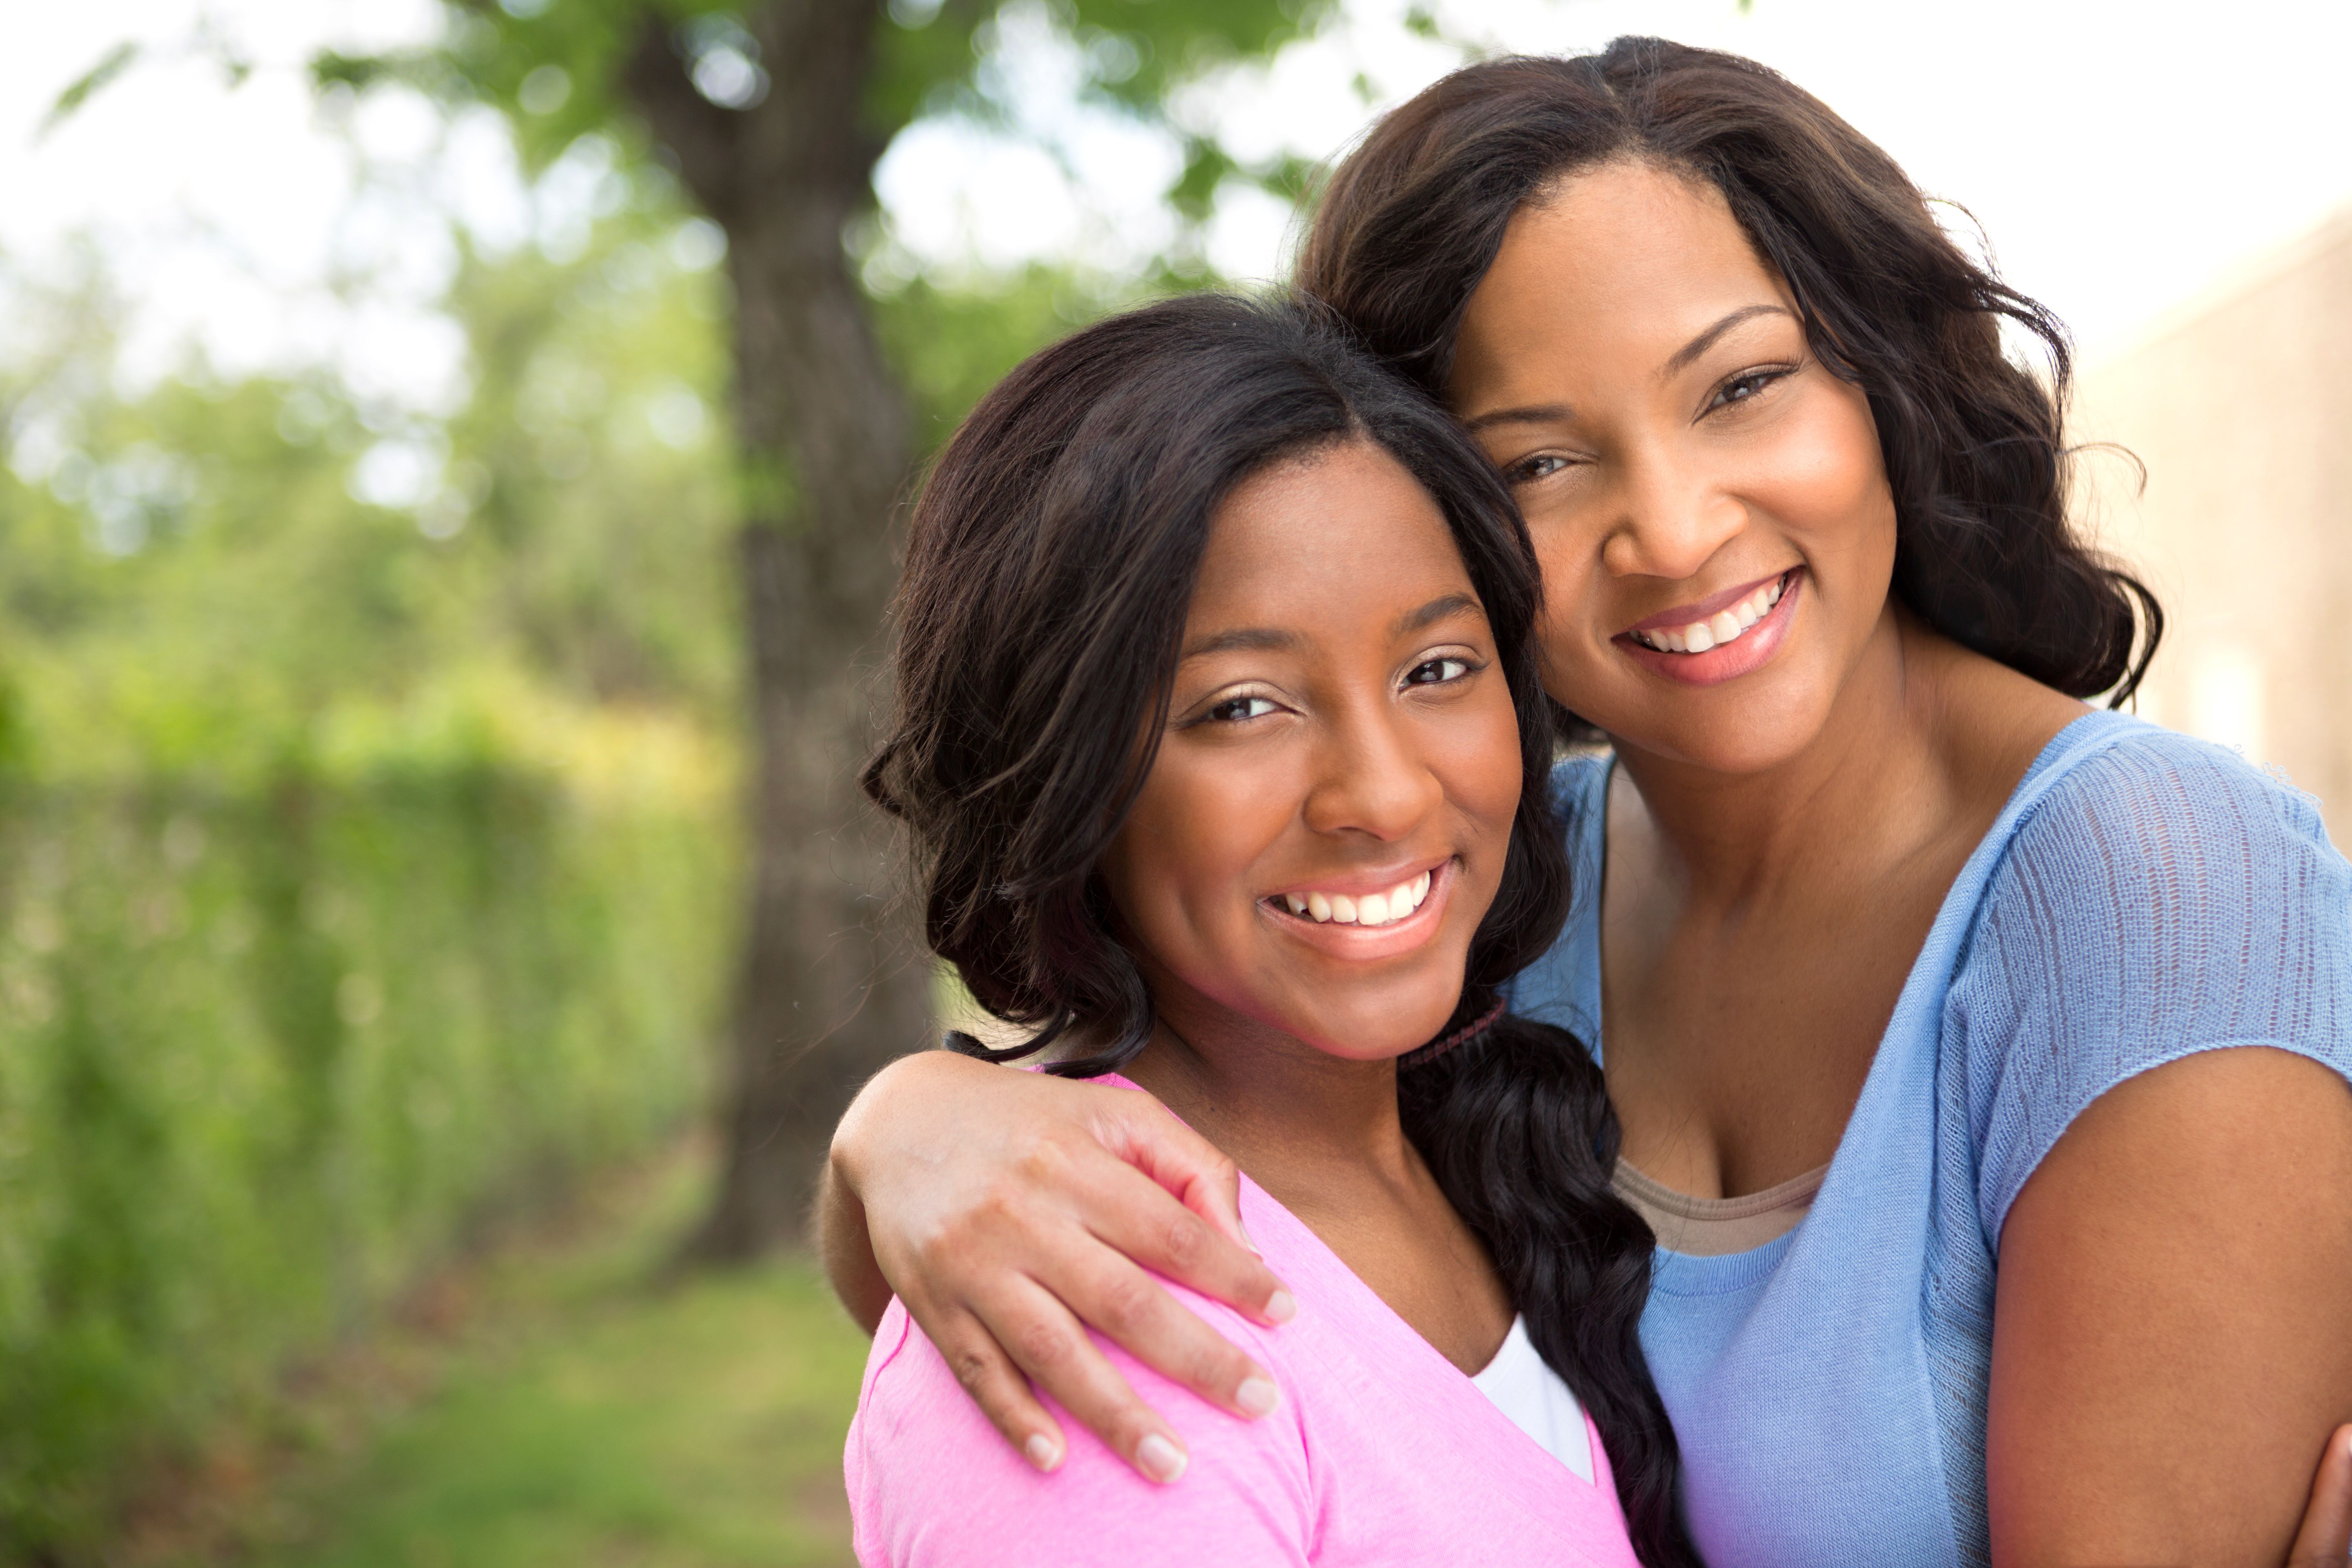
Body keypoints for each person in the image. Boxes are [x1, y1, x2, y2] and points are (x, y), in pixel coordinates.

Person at [822, 39, 2352, 1567]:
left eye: (1743, 387)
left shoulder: (2161, 890)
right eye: (1542, 461)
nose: (1677, 534)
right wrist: (898, 1137)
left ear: (1882, 383)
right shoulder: (1492, 895)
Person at [846, 292, 1667, 1565]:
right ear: (1065, 769)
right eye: (1241, 707)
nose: (1386, 794)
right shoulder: (1094, 1315)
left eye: (1438, 670)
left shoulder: (1481, 1142)